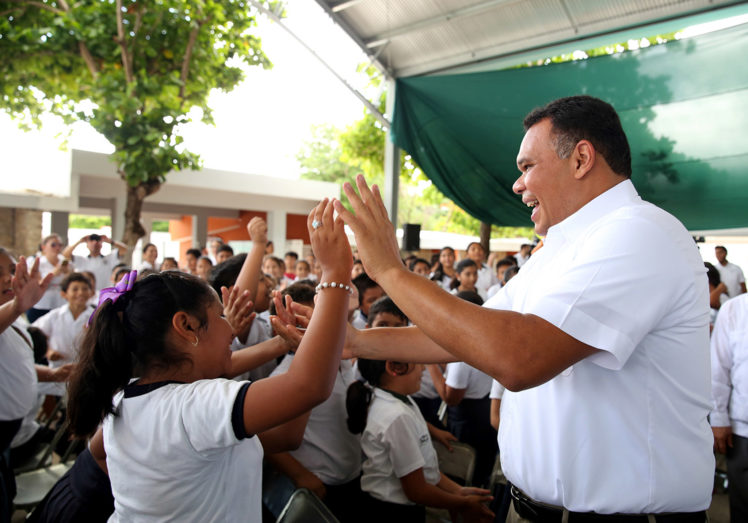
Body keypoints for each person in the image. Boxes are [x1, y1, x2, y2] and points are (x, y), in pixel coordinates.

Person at [329, 95, 713, 520]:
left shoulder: (639, 232)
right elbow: (465, 336)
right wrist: (357, 341)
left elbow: (520, 359)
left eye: (527, 166)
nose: (517, 185)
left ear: (581, 158)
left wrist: (389, 270)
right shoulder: (559, 249)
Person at [65, 198, 352, 522]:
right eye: (219, 316)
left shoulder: (127, 397)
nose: (231, 329)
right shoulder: (192, 406)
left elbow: (284, 431)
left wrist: (283, 343)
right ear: (187, 327)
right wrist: (335, 274)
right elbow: (308, 387)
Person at [346, 356, 493, 522]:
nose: (423, 369)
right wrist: (462, 503)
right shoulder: (396, 417)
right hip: (392, 511)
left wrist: (456, 490)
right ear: (395, 367)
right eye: (417, 363)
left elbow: (426, 472)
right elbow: (417, 491)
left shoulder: (400, 399)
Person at [0, 248, 54, 522]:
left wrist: (54, 374)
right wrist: (18, 306)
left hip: (9, 432)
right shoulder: (11, 312)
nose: (8, 280)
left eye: (11, 272)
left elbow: (16, 365)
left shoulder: (13, 318)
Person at [710, 292, 748, 522]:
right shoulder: (734, 310)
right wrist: (719, 419)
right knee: (744, 503)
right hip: (742, 430)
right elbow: (718, 371)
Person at [32, 273, 94, 369]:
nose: (81, 293)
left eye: (85, 289)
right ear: (63, 294)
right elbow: (35, 334)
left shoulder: (96, 317)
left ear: (91, 293)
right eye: (75, 289)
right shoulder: (54, 316)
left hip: (87, 370)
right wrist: (48, 351)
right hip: (57, 369)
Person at [26, 234, 72, 322]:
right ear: (43, 247)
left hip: (60, 304)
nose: (57, 248)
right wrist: (54, 273)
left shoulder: (65, 261)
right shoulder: (37, 262)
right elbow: (36, 285)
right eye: (53, 245)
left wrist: (68, 273)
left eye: (60, 245)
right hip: (41, 304)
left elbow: (72, 283)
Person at [62, 234, 127, 293]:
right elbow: (65, 254)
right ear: (87, 245)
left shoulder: (109, 258)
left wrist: (110, 241)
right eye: (91, 240)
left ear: (101, 244)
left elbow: (124, 249)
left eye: (97, 240)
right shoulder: (82, 260)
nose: (95, 242)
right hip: (87, 295)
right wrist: (79, 241)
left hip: (106, 294)